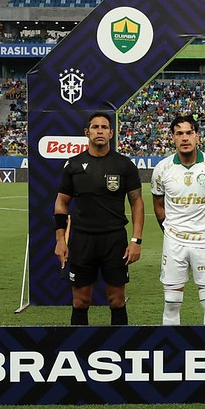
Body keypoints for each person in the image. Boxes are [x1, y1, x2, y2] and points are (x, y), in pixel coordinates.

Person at [53, 112, 144, 326]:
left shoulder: (124, 165)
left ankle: (120, 352)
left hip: (115, 240)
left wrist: (136, 240)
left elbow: (137, 202)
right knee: (81, 301)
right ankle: (77, 351)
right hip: (83, 239)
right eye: (95, 127)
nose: (100, 131)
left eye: (104, 127)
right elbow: (61, 203)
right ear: (87, 132)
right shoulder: (73, 165)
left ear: (111, 133)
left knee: (117, 300)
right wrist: (60, 240)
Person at [151, 115, 205, 325]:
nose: (185, 138)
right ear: (173, 138)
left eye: (189, 133)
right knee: (171, 303)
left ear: (197, 136)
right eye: (179, 133)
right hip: (174, 241)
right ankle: (171, 354)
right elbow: (158, 204)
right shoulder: (162, 169)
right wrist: (168, 231)